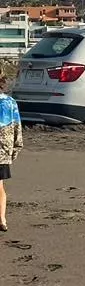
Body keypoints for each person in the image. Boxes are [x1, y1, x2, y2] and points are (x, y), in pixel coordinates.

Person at [0, 73, 23, 231]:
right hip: (3, 150)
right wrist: (15, 149)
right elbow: (17, 127)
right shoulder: (10, 102)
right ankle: (2, 218)